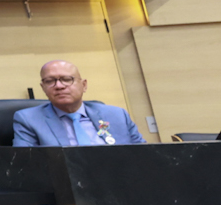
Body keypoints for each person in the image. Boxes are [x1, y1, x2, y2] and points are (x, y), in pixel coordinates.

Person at [12, 59, 145, 146]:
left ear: (84, 85)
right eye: (50, 81)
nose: (59, 86)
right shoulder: (28, 119)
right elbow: (26, 162)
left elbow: (144, 153)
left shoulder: (117, 114)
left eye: (66, 79)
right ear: (43, 88)